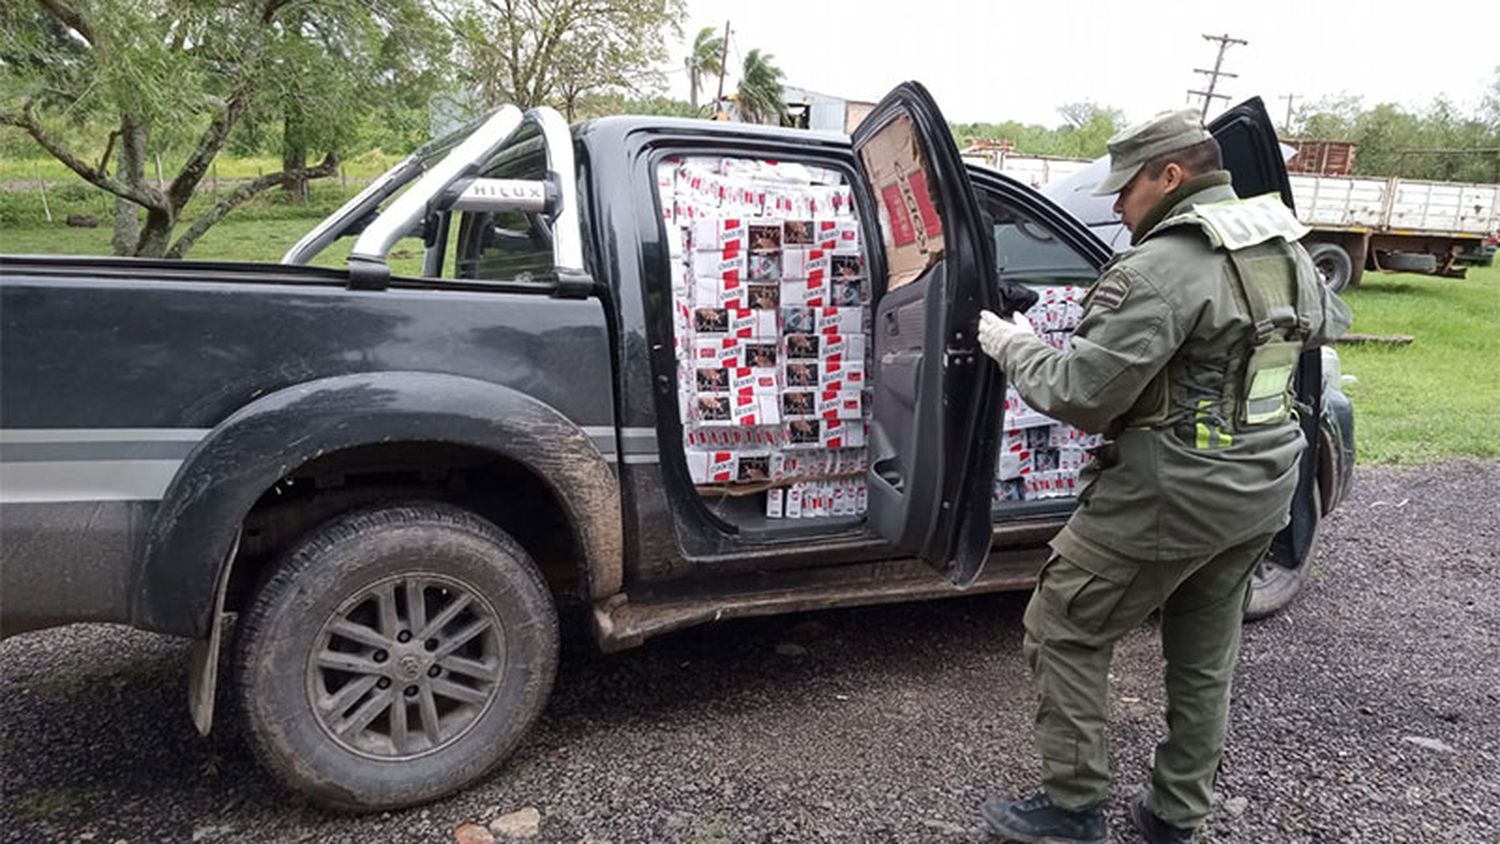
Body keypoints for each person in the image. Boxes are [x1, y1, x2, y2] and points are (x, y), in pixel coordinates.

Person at [975, 109, 1352, 844]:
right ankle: (1177, 813)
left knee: (1064, 629)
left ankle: (1072, 808)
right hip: (1264, 485)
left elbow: (1081, 395)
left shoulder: (1161, 266)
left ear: (1170, 175)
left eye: (1126, 190)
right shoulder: (1286, 247)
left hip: (1170, 496)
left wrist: (1011, 344)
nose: (1117, 207)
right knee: (1206, 656)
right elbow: (1315, 331)